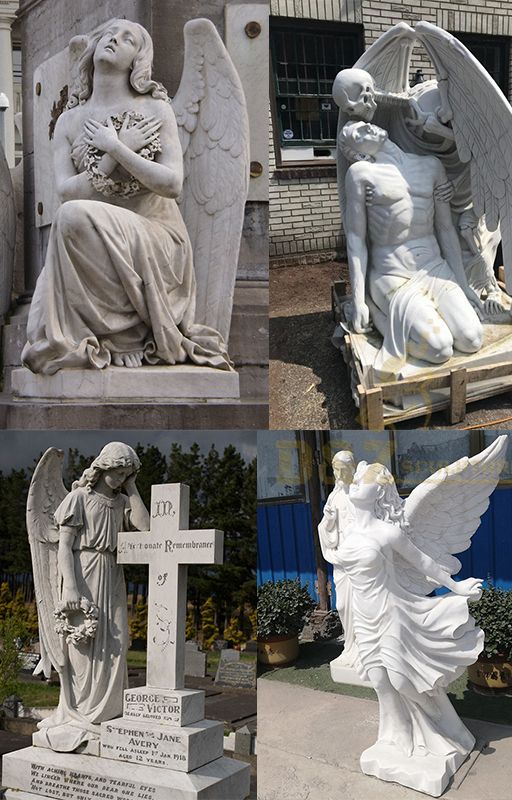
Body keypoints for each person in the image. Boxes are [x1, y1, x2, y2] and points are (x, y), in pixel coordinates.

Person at [22, 19, 232, 374]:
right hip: (94, 234)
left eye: (127, 38)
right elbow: (65, 191)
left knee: (73, 218)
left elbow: (172, 184)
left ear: (139, 58)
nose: (114, 40)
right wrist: (111, 153)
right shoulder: (70, 121)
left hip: (157, 238)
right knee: (70, 218)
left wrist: (120, 150)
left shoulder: (156, 110)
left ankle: (127, 338)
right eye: (108, 34)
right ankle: (107, 335)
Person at [326, 461, 482, 758]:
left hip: (391, 613)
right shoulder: (347, 533)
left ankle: (443, 725)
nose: (357, 482)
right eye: (357, 478)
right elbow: (334, 556)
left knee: (402, 680)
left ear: (378, 493)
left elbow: (423, 563)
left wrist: (457, 587)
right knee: (380, 683)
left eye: (365, 480)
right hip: (363, 617)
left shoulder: (386, 533)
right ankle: (399, 736)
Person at [339, 119, 485, 378]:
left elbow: (445, 229)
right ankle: (377, 311)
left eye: (363, 123)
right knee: (440, 349)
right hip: (391, 274)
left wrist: (462, 283)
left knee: (472, 339)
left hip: (433, 269)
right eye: (358, 134)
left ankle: (416, 317)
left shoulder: (431, 165)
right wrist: (359, 300)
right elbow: (356, 239)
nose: (367, 127)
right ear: (359, 153)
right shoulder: (362, 174)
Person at [34, 442, 149, 752]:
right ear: (103, 468)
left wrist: (133, 487)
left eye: (127, 473)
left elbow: (147, 528)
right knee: (83, 647)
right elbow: (63, 547)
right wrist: (69, 587)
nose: (122, 477)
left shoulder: (123, 501)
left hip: (112, 574)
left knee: (117, 641)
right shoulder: (78, 498)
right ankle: (83, 714)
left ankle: (108, 714)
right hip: (83, 573)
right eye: (118, 472)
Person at [317, 451, 359, 674]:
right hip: (341, 557)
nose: (339, 474)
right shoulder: (335, 496)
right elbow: (325, 527)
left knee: (361, 605)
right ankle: (350, 645)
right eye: (336, 470)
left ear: (351, 469)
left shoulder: (360, 493)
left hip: (360, 559)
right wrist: (329, 520)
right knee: (342, 605)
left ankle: (364, 649)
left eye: (343, 469)